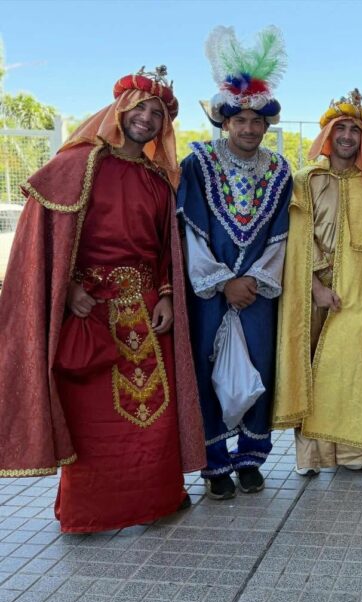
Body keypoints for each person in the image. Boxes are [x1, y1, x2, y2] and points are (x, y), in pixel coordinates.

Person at [0, 67, 205, 533]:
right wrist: (67, 287)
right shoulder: (80, 164)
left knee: (155, 418)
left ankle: (158, 500)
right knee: (92, 426)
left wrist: (169, 296)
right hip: (89, 314)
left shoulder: (157, 181)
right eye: (140, 109)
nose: (147, 119)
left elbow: (164, 249)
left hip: (147, 312)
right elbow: (47, 235)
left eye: (157, 114)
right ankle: (88, 514)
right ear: (121, 111)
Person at [273, 89, 362, 474]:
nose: (348, 137)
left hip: (357, 297)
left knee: (354, 368)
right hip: (311, 290)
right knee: (309, 370)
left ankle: (353, 454)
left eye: (356, 130)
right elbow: (294, 243)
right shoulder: (303, 182)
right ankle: (312, 456)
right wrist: (315, 286)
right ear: (328, 135)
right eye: (341, 129)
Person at [178, 26, 291, 500]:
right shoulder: (197, 163)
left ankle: (250, 458)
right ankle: (214, 463)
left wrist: (254, 280)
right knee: (207, 367)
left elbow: (283, 234)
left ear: (266, 126)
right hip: (209, 290)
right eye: (239, 120)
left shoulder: (281, 170)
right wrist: (222, 282)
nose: (248, 128)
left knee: (259, 369)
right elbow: (190, 230)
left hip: (259, 292)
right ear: (226, 122)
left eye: (256, 122)